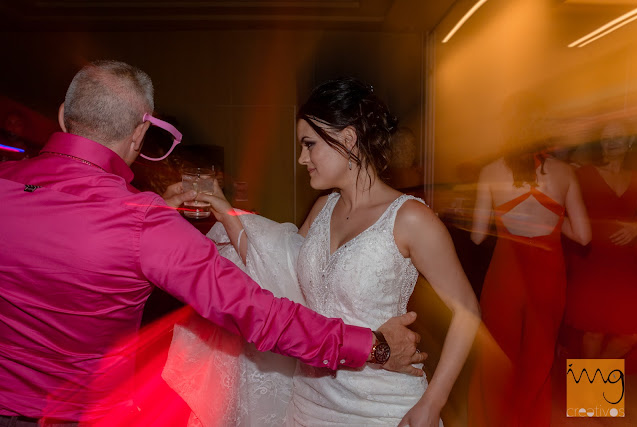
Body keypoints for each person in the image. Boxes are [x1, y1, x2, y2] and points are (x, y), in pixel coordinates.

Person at [0, 61, 425, 426]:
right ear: (138, 135)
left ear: (62, 116)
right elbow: (257, 313)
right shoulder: (143, 224)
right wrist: (373, 345)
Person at [169, 77, 480, 426]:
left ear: (347, 140)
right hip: (308, 406)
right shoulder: (321, 210)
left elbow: (467, 311)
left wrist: (432, 403)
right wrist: (222, 210)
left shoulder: (410, 218)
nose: (303, 159)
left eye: (309, 144)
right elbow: (276, 271)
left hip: (383, 409)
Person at [468, 132, 591, 426]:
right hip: (548, 270)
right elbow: (585, 236)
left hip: (506, 270)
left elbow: (476, 236)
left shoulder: (490, 171)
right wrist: (551, 221)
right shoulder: (564, 172)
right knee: (539, 356)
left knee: (498, 354)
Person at [563, 120, 637, 364]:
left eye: (618, 136)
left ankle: (594, 382)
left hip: (627, 265)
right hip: (593, 260)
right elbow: (560, 210)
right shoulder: (583, 173)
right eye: (607, 137)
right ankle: (590, 400)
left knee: (632, 334)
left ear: (629, 143)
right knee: (594, 331)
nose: (612, 142)